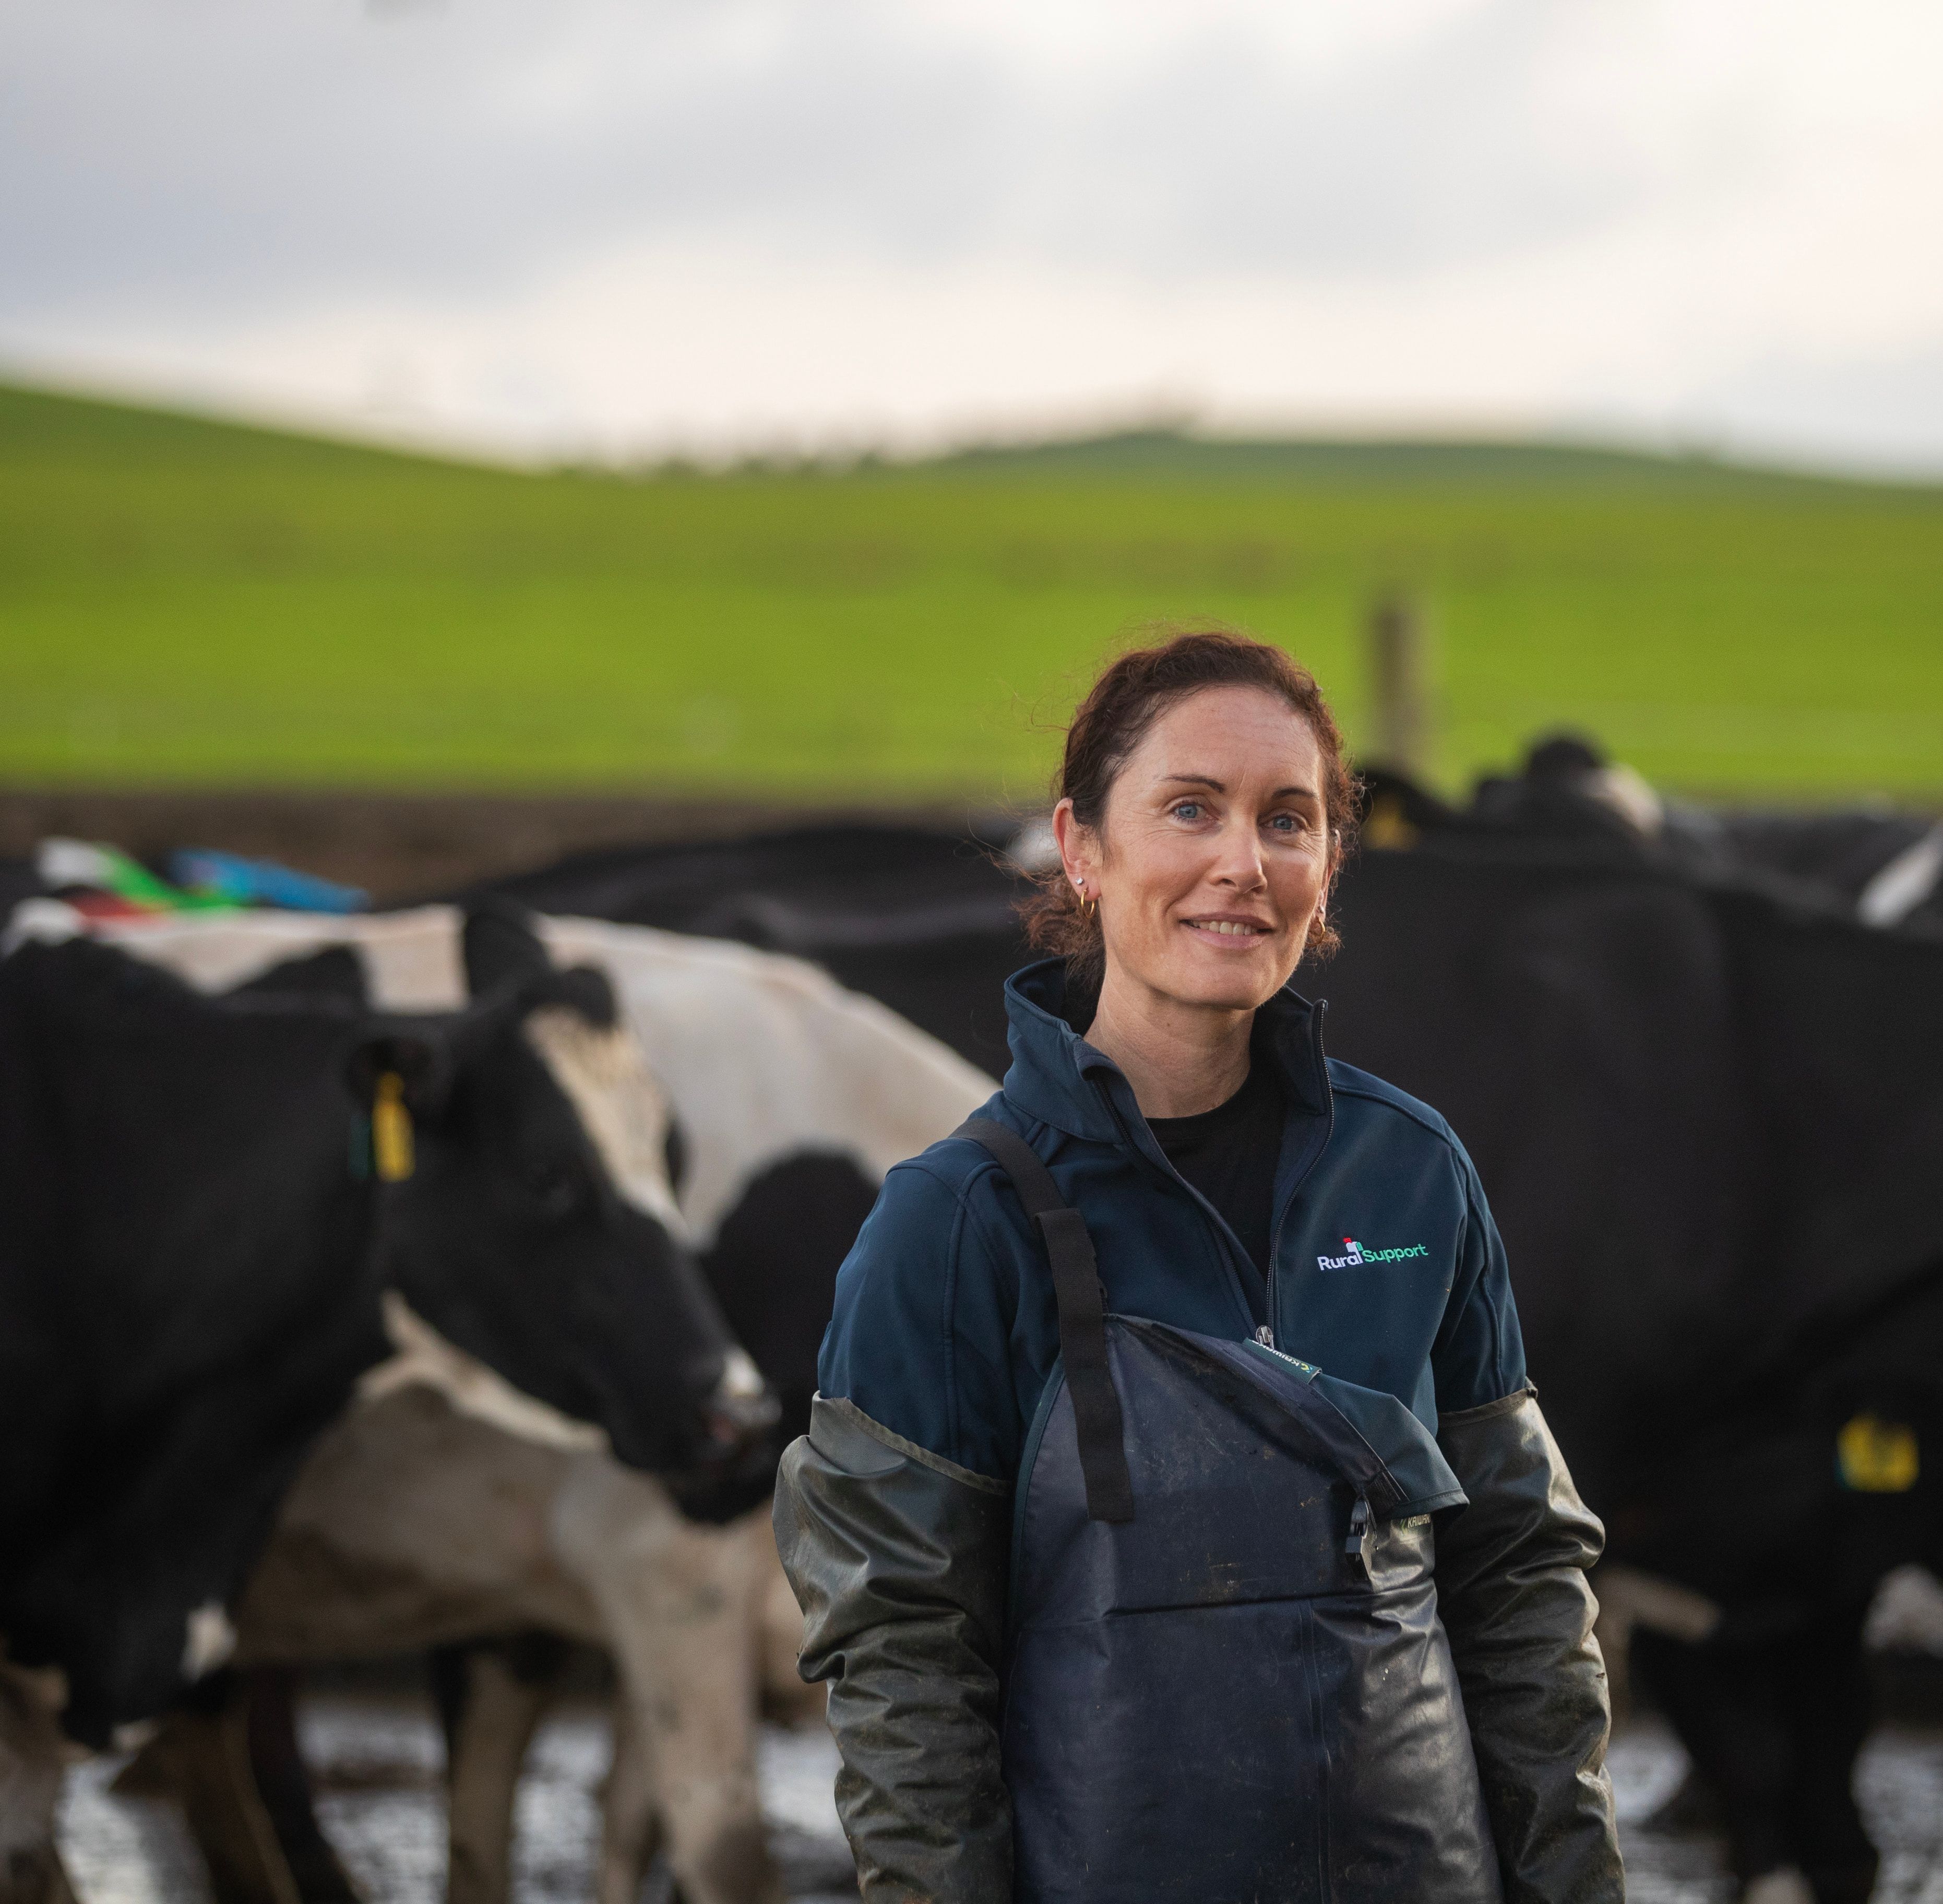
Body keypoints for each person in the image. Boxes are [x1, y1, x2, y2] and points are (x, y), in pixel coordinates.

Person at [775, 630, 1622, 1903]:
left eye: (1289, 820)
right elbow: (905, 1671)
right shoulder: (953, 1227)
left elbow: (1518, 1588)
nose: (1242, 863)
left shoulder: (1408, 1172)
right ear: (1080, 847)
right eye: (1188, 809)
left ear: (1328, 870)